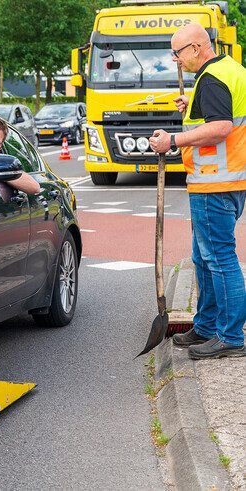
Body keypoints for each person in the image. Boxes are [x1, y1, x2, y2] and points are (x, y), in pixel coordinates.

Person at [149, 23, 246, 359]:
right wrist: (192, 105)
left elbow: (220, 127)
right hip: (229, 182)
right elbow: (225, 115)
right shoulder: (232, 70)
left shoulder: (212, 77)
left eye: (177, 52)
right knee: (204, 259)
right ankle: (206, 326)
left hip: (214, 184)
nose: (175, 60)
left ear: (195, 47)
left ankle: (231, 336)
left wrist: (172, 140)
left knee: (219, 260)